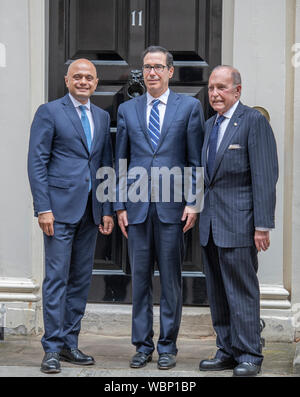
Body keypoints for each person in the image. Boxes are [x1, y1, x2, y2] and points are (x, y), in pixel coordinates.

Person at [114, 46, 204, 370]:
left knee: (170, 281)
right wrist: (119, 204)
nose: (151, 73)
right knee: (139, 281)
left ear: (170, 71)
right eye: (147, 67)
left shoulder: (190, 108)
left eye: (157, 67)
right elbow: (120, 161)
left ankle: (168, 346)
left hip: (172, 210)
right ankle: (142, 345)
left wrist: (194, 202)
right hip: (137, 211)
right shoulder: (128, 110)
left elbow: (195, 161)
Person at [28, 59, 114, 374]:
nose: (82, 81)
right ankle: (50, 349)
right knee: (56, 279)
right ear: (67, 80)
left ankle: (68, 344)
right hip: (59, 211)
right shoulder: (49, 112)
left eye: (88, 77)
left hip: (91, 212)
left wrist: (105, 208)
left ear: (96, 81)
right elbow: (37, 162)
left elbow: (105, 164)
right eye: (77, 76)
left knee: (80, 281)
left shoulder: (103, 117)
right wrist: (43, 208)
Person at [199, 65, 278, 377]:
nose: (215, 94)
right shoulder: (209, 126)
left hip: (240, 223)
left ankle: (249, 354)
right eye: (211, 89)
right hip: (210, 224)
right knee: (217, 291)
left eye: (222, 88)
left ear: (237, 90)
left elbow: (264, 176)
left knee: (242, 291)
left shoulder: (253, 122)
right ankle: (227, 350)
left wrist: (262, 225)